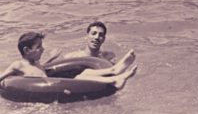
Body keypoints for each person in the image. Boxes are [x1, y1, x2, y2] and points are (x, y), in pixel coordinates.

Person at [0, 32, 137, 90]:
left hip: (52, 89)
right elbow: (2, 77)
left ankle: (114, 70)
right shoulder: (17, 65)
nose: (43, 49)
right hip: (44, 96)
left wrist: (53, 58)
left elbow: (41, 69)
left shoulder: (35, 62)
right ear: (27, 50)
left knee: (86, 71)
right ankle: (114, 79)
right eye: (38, 47)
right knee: (80, 77)